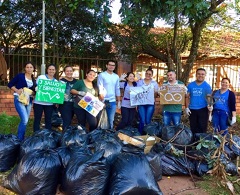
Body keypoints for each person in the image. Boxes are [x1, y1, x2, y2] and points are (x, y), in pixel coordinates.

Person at [8, 62, 36, 141]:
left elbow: (34, 91)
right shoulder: (20, 76)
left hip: (29, 100)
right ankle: (19, 139)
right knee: (25, 119)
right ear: (25, 68)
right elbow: (10, 84)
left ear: (33, 69)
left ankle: (22, 137)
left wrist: (34, 92)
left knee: (25, 121)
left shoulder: (34, 79)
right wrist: (17, 90)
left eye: (31, 67)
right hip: (19, 99)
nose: (29, 69)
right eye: (27, 67)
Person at [185, 68, 212, 134]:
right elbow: (187, 96)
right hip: (192, 109)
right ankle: (194, 142)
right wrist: (186, 107)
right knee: (193, 127)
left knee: (202, 127)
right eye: (199, 74)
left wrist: (210, 107)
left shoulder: (207, 86)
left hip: (203, 109)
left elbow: (209, 97)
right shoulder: (190, 85)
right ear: (196, 75)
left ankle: (202, 142)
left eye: (202, 74)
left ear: (205, 75)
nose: (200, 75)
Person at [97, 60, 121, 129]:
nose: (111, 66)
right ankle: (101, 136)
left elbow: (117, 88)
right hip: (103, 101)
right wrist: (102, 101)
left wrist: (119, 101)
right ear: (106, 65)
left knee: (111, 120)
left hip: (112, 101)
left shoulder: (116, 76)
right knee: (101, 120)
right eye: (110, 65)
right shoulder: (102, 75)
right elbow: (100, 87)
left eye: (113, 65)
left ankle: (109, 136)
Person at [33, 64, 57, 131]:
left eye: (53, 70)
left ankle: (47, 136)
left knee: (48, 120)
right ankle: (36, 135)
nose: (51, 71)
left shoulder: (56, 82)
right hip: (38, 103)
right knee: (37, 119)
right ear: (47, 70)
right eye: (50, 69)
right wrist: (36, 88)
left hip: (49, 104)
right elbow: (35, 86)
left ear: (55, 71)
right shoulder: (41, 77)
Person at [137, 66, 159, 134]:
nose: (148, 75)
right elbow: (136, 92)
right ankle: (140, 135)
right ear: (145, 74)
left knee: (148, 120)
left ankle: (147, 136)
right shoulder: (140, 82)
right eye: (147, 73)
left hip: (150, 104)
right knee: (142, 120)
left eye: (149, 74)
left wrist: (155, 92)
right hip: (141, 103)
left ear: (152, 75)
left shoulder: (154, 83)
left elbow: (156, 95)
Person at [58, 65, 77, 130]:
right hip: (64, 104)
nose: (69, 72)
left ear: (72, 72)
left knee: (71, 121)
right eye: (67, 71)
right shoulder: (61, 81)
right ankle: (64, 138)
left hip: (75, 104)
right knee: (66, 122)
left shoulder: (76, 81)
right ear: (64, 72)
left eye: (70, 71)